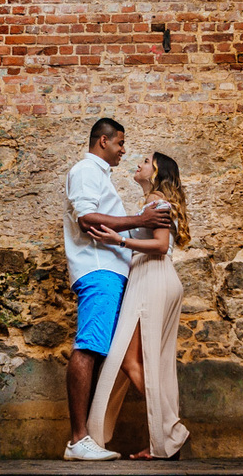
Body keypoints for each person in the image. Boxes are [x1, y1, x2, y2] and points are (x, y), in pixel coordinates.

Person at [62, 118, 172, 461]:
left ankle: (86, 438)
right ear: (103, 141)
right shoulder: (85, 171)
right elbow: (87, 219)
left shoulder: (99, 175)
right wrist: (139, 222)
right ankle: (79, 440)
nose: (124, 150)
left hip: (110, 273)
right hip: (98, 271)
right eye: (120, 143)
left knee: (100, 348)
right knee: (89, 346)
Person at [85, 151, 191, 460]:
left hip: (153, 277)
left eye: (145, 161)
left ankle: (170, 433)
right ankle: (166, 438)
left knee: (130, 360)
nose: (138, 164)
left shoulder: (157, 202)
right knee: (145, 361)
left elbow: (159, 246)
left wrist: (119, 241)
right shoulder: (153, 202)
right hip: (153, 277)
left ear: (156, 172)